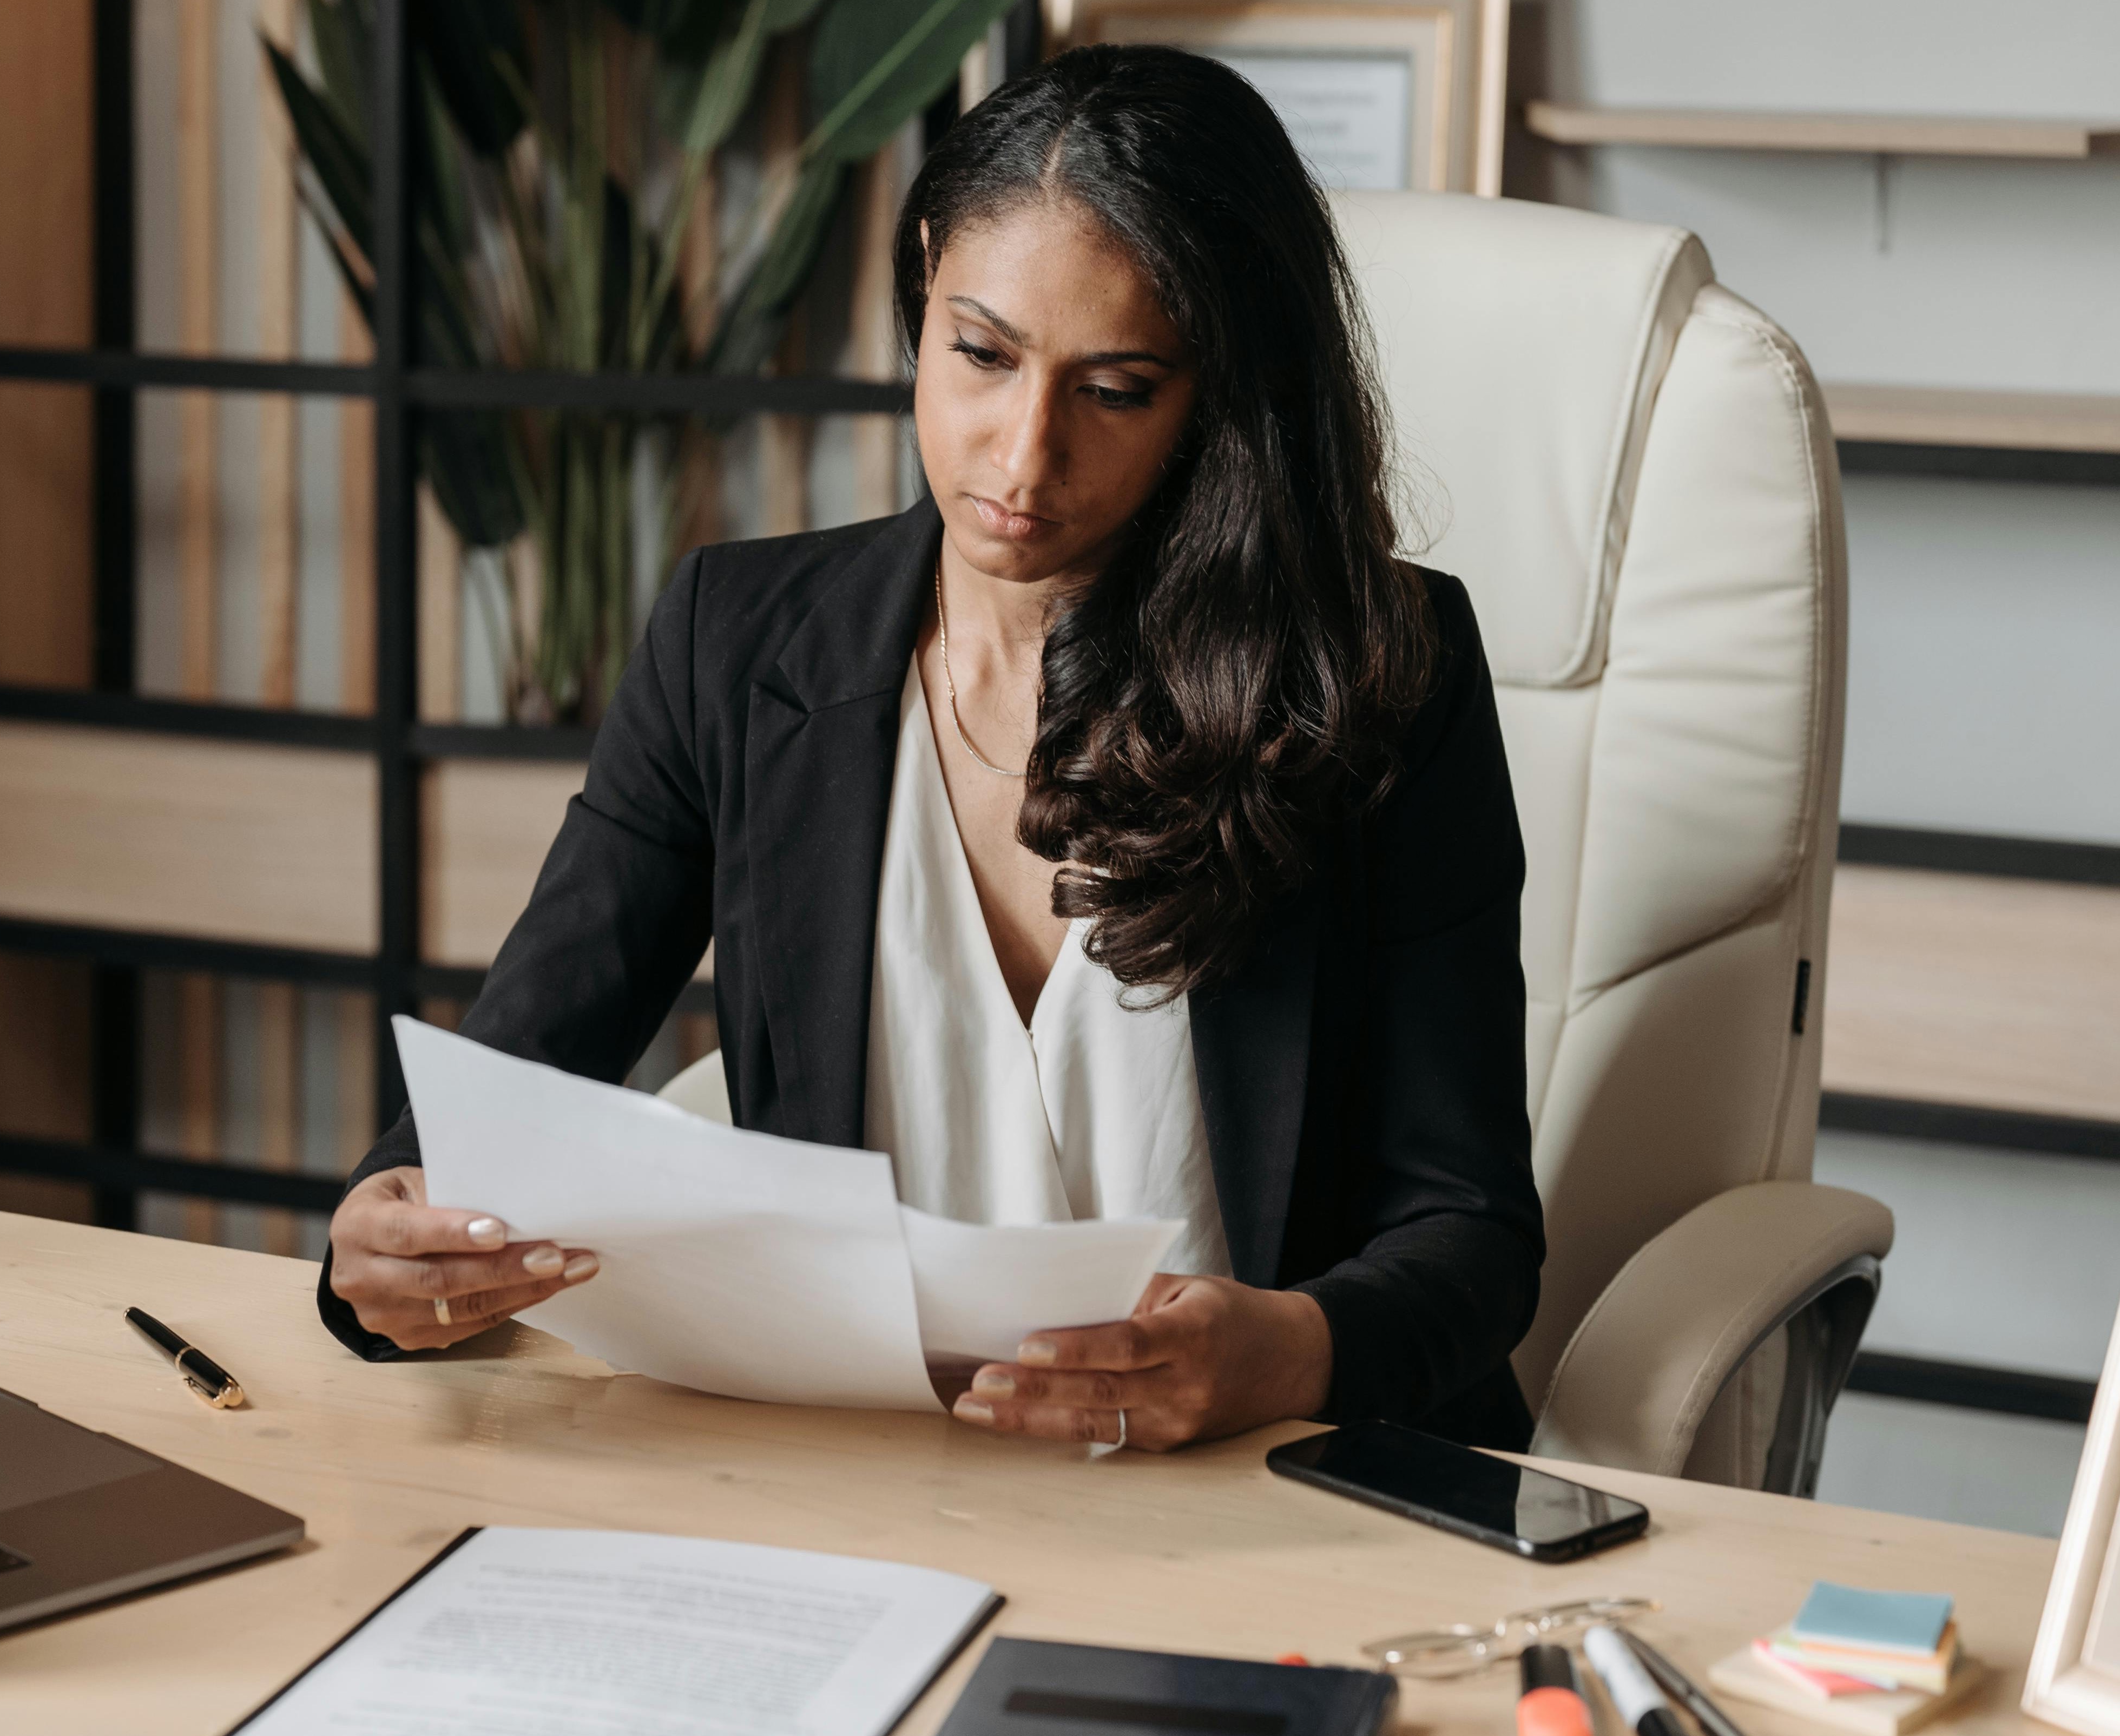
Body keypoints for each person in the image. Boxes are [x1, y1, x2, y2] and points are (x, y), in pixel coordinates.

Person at [317, 42, 1543, 1452]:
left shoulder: (1383, 672)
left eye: (1117, 389)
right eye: (981, 354)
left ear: (1222, 392)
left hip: (1267, 1483)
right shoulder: (740, 643)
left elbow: (1473, 1236)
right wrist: (392, 1229)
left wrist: (1288, 1353)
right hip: (872, 1477)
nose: (1021, 460)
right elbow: (514, 1080)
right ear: (921, 287)